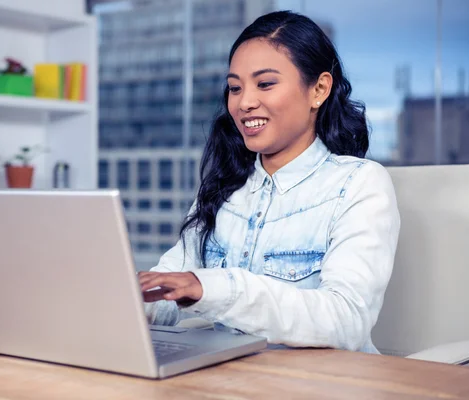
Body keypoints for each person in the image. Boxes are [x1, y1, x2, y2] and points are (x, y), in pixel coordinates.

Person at [138, 10, 400, 354]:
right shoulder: (225, 187)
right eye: (235, 88)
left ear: (318, 89)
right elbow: (170, 288)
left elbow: (345, 321)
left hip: (326, 384)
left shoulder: (358, 184)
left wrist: (215, 289)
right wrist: (125, 298)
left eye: (265, 84)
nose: (244, 102)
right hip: (232, 379)